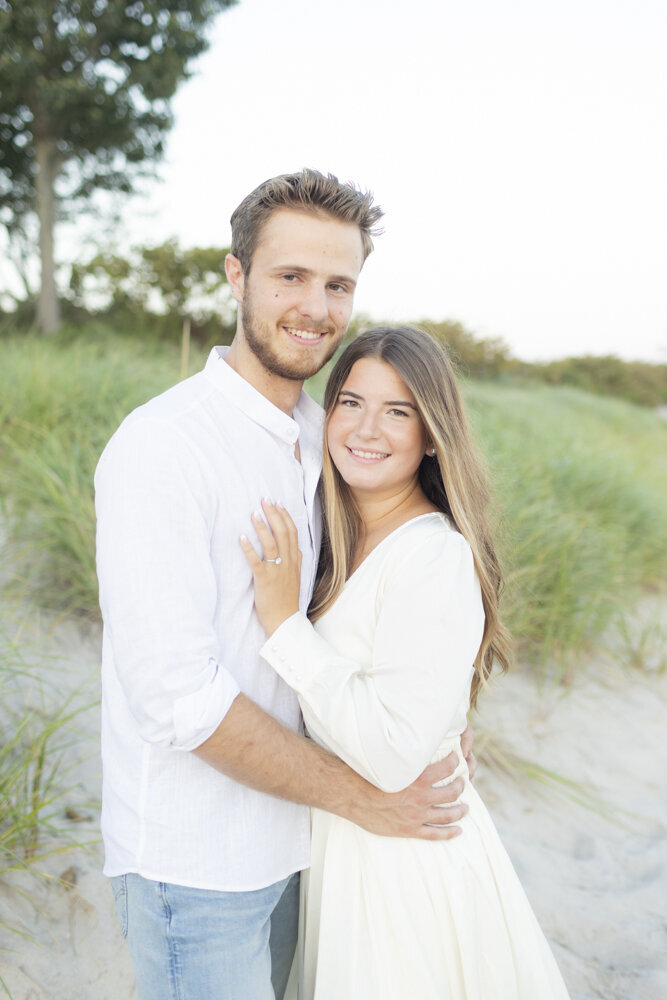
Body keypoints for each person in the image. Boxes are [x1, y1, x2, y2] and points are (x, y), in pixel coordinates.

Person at [95, 171, 476, 1000]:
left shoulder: (331, 434)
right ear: (237, 278)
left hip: (310, 847)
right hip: (200, 867)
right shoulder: (164, 446)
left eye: (338, 284)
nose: (315, 306)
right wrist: (367, 798)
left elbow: (395, 596)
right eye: (290, 277)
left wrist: (435, 719)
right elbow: (175, 699)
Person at [241, 324, 571, 999]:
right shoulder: (335, 529)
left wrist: (283, 626)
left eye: (398, 412)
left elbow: (393, 756)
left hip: (402, 860)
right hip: (348, 842)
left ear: (430, 435)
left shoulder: (432, 554)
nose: (367, 429)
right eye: (351, 403)